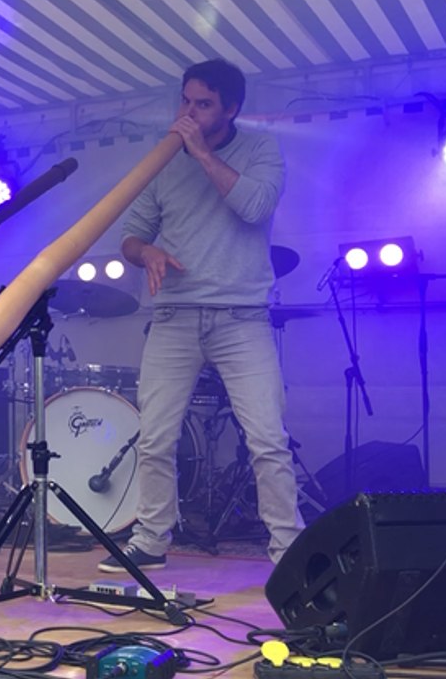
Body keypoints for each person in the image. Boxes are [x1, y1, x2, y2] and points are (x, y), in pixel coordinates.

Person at [101, 59, 303, 571]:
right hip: (173, 317)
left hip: (243, 318)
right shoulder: (163, 161)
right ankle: (150, 540)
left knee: (268, 439)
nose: (189, 113)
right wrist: (145, 253)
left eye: (203, 104)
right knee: (154, 437)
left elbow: (255, 207)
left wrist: (200, 152)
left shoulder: (261, 150)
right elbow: (131, 233)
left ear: (231, 109)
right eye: (185, 101)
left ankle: (289, 549)